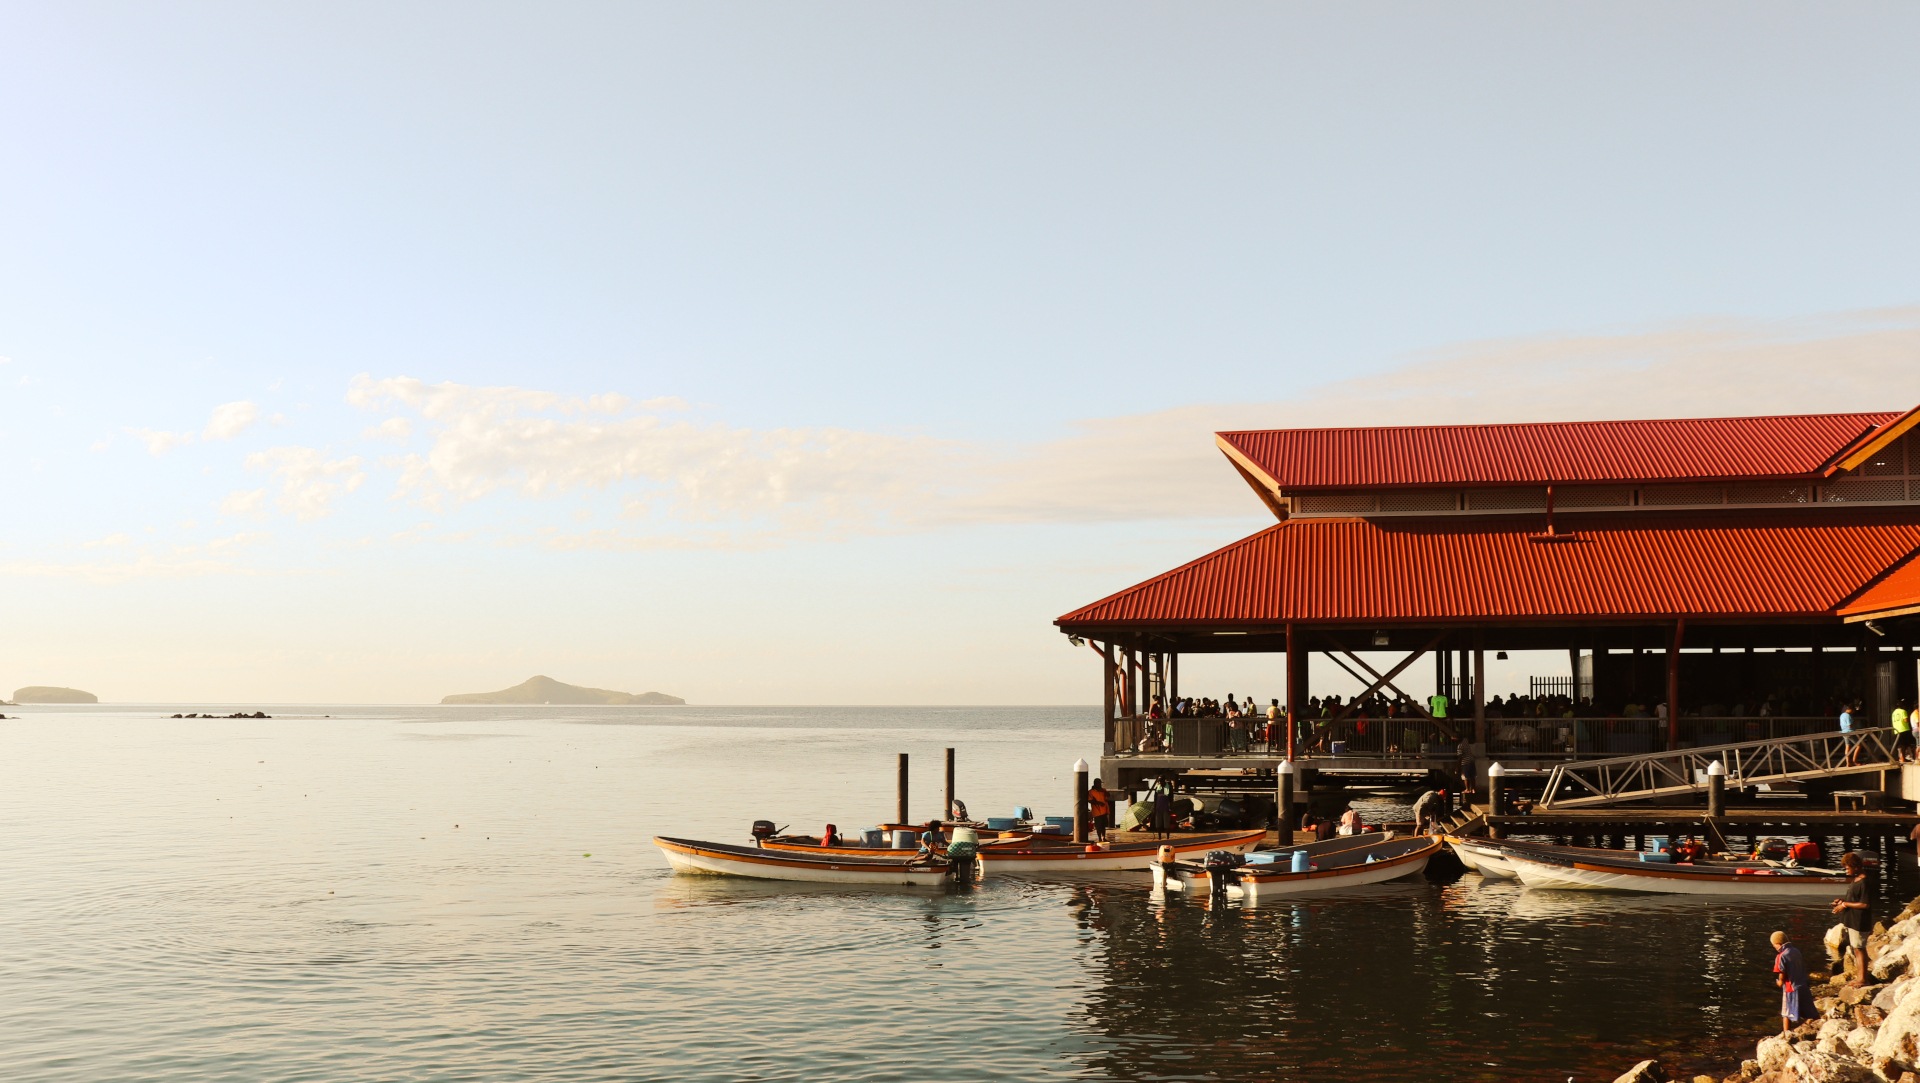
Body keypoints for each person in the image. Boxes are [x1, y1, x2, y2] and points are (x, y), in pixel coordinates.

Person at [1832, 852, 1873, 986]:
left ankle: (1862, 979)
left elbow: (1865, 904)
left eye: (1847, 867)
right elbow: (1854, 900)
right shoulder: (1855, 880)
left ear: (1855, 867)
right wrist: (1842, 901)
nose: (1846, 870)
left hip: (1860, 921)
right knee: (1856, 948)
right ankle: (1860, 976)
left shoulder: (1864, 881)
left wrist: (1845, 905)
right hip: (1852, 920)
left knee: (1859, 948)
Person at [1772, 931, 1816, 1035]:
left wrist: (1779, 982)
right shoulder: (1796, 951)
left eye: (1773, 945)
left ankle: (1786, 1034)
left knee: (1786, 1013)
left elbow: (1782, 973)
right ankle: (1816, 1027)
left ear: (1777, 944)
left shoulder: (1781, 956)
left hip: (1790, 988)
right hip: (1803, 985)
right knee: (1809, 1011)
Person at [1087, 778, 1112, 842]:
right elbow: (1089, 800)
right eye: (1099, 783)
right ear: (1095, 784)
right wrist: (1098, 803)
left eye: (1100, 783)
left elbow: (1108, 796)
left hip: (1104, 811)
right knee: (1098, 826)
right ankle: (1099, 838)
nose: (1100, 785)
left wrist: (1107, 793)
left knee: (1103, 825)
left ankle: (1103, 837)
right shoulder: (1091, 792)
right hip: (1097, 812)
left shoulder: (1103, 790)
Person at [1895, 699, 1914, 764]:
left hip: (1896, 730)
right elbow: (1905, 720)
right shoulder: (1903, 711)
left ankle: (1901, 758)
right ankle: (1903, 758)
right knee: (1905, 744)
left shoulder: (1894, 712)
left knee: (1900, 745)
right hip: (1904, 729)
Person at [1840, 701, 1859, 766]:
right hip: (1849, 732)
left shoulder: (1842, 715)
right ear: (1850, 709)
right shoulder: (1848, 716)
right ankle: (1854, 761)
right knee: (1859, 745)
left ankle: (1848, 763)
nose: (1853, 712)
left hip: (1844, 732)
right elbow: (1849, 725)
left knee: (1847, 746)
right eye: (1853, 710)